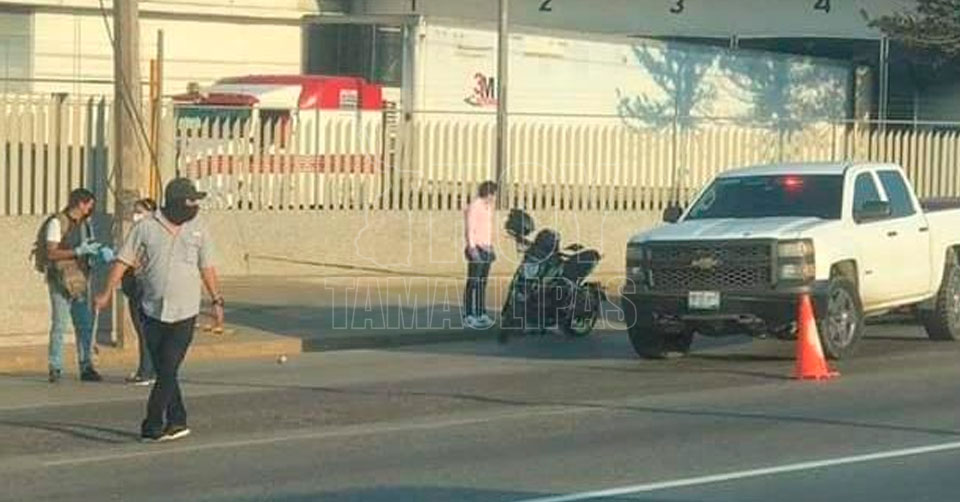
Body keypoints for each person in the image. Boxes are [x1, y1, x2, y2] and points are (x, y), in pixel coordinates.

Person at [95, 178, 224, 443]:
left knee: (167, 369)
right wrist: (107, 291)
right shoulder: (146, 227)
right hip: (152, 310)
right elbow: (123, 260)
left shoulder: (198, 229)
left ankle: (152, 424)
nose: (194, 207)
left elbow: (207, 267)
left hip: (185, 311)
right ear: (175, 202)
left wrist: (216, 300)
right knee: (166, 369)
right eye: (190, 201)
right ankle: (178, 420)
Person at [38, 188, 106, 383]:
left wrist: (98, 253)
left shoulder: (85, 224)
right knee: (60, 324)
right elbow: (51, 252)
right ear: (80, 204)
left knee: (84, 324)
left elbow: (90, 246)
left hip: (80, 279)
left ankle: (86, 366)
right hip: (60, 279)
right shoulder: (57, 223)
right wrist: (77, 251)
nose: (90, 209)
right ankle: (55, 367)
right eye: (89, 205)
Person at [123, 198, 158, 386]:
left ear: (151, 213)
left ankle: (146, 372)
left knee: (143, 329)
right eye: (135, 211)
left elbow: (134, 259)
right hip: (144, 284)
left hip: (141, 284)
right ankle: (149, 370)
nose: (136, 215)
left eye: (140, 211)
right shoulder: (154, 231)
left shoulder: (145, 232)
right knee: (146, 330)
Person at [463, 181, 498, 329]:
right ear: (488, 193)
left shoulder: (488, 207)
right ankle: (468, 315)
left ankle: (481, 313)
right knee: (473, 282)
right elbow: (470, 228)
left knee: (482, 283)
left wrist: (490, 246)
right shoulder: (475, 206)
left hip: (486, 248)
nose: (494, 197)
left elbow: (487, 228)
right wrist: (472, 248)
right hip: (476, 248)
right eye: (493, 194)